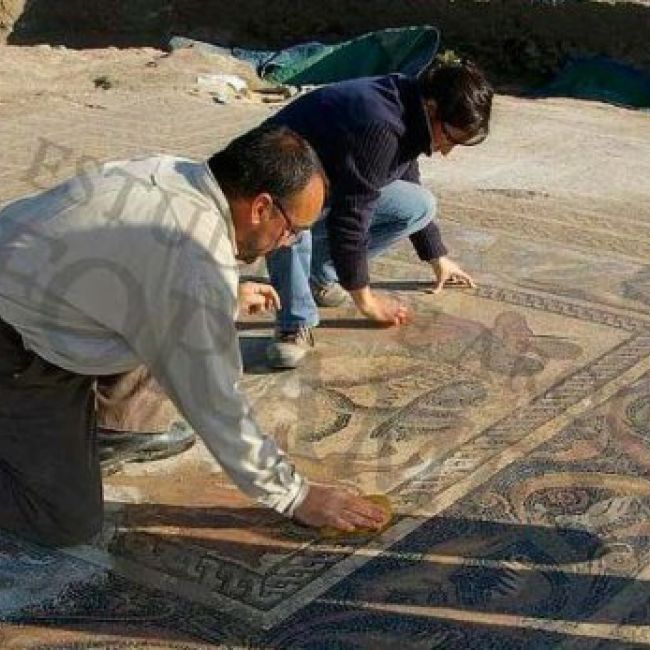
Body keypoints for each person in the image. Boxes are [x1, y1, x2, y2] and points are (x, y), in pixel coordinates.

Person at [0, 125, 387, 547]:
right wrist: (296, 495)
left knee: (190, 322)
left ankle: (108, 427)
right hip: (16, 342)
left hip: (39, 290)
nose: (287, 243)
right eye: (291, 230)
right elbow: (217, 402)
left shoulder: (176, 173)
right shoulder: (192, 263)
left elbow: (144, 265)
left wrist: (224, 298)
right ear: (261, 207)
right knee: (64, 521)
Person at [264, 58, 494, 369]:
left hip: (326, 181)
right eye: (451, 137)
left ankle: (318, 272)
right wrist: (367, 302)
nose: (447, 150)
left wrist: (436, 256)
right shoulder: (380, 123)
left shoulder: (409, 103)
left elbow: (401, 172)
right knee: (294, 221)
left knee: (419, 206)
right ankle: (294, 321)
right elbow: (352, 217)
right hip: (275, 185)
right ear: (432, 107)